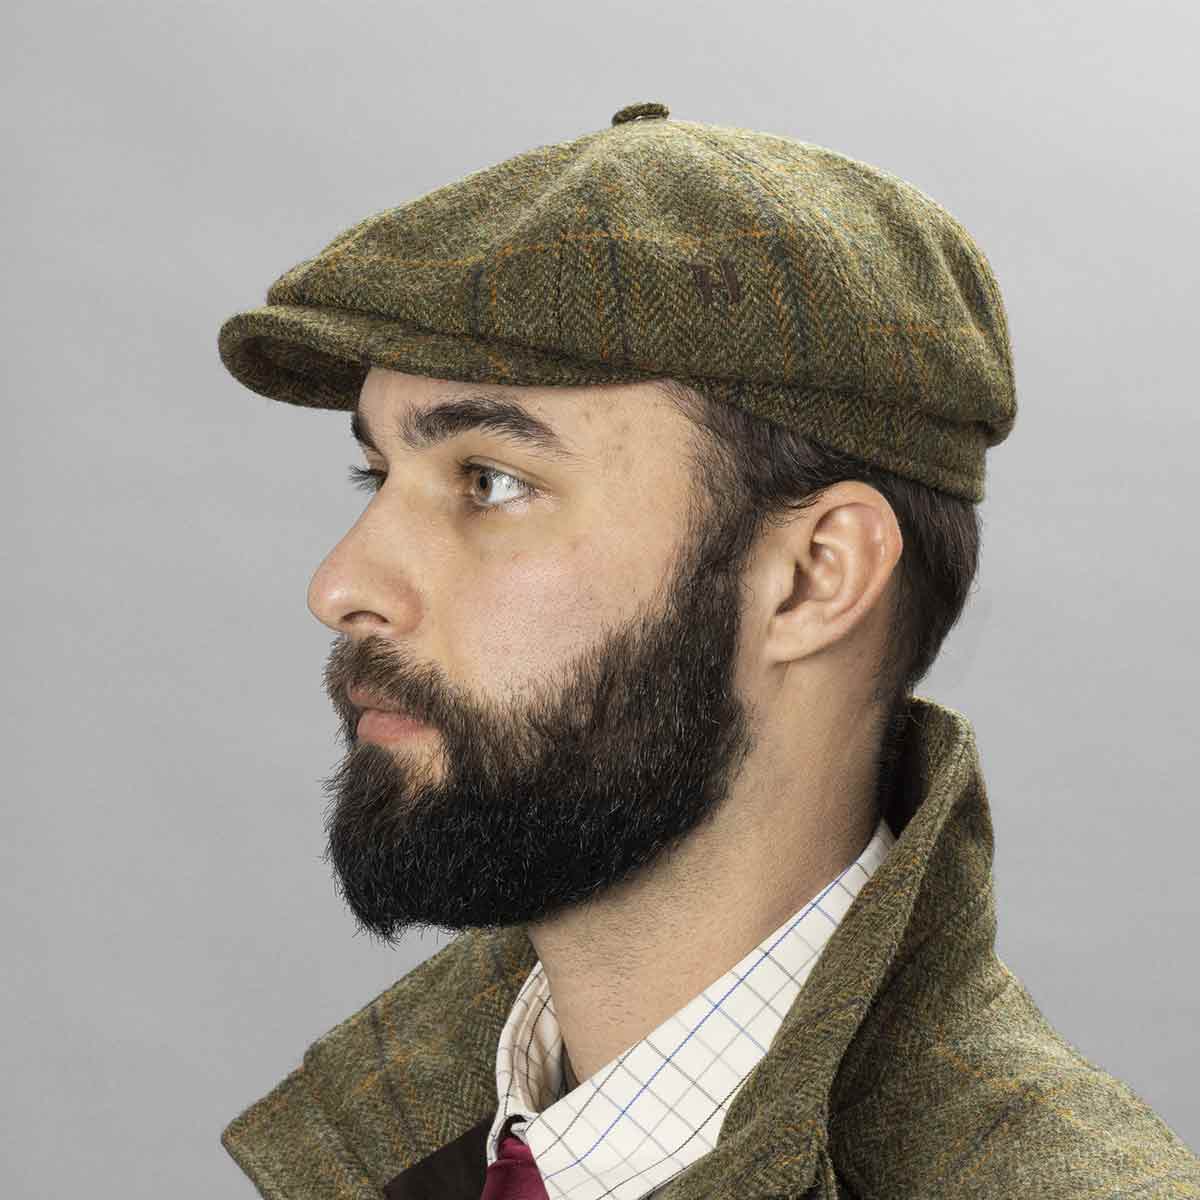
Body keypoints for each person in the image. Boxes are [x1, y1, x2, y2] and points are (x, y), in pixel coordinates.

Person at [214, 101, 1199, 1199]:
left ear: (814, 578)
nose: (340, 586)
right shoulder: (416, 1134)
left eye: (491, 481)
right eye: (376, 475)